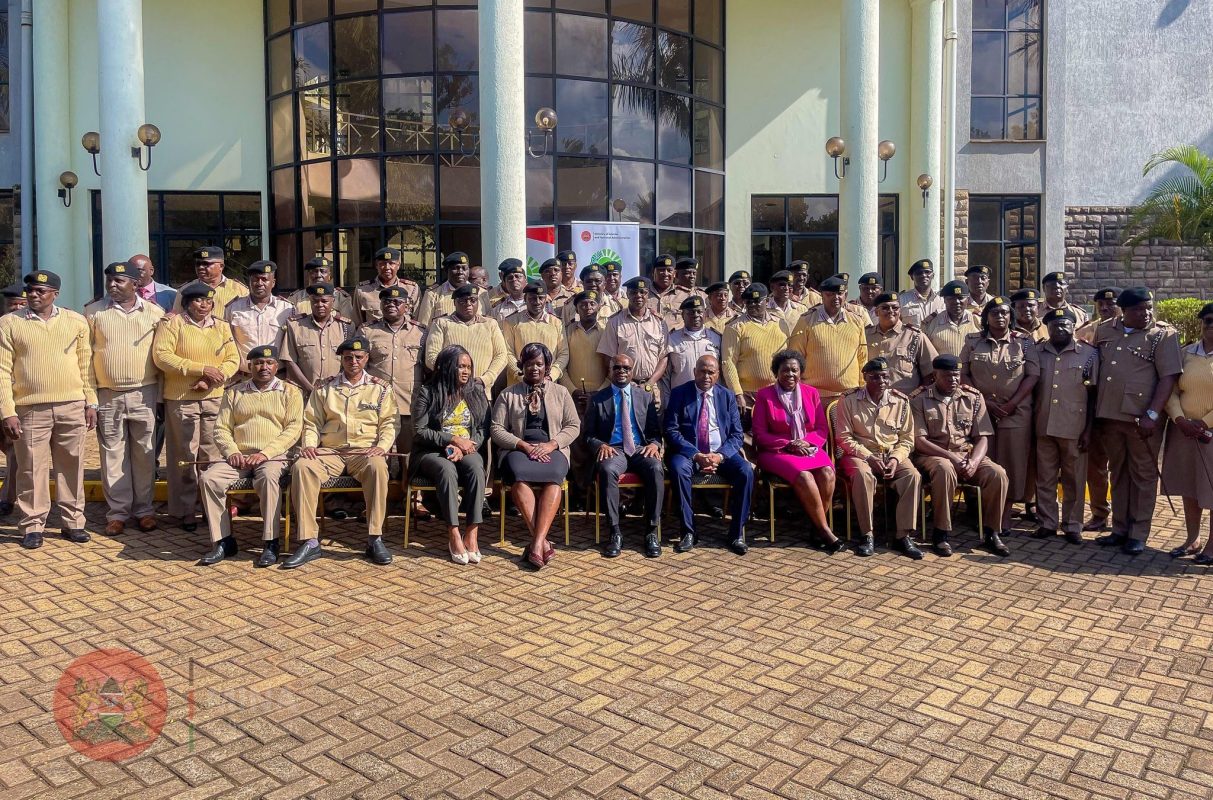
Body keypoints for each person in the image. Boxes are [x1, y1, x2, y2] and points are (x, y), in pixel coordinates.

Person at [0, 270, 97, 549]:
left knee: (72, 465)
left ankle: (73, 522)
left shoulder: (76, 322)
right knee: (31, 468)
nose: (33, 295)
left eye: (41, 291)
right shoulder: (9, 323)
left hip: (72, 405)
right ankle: (32, 525)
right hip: (30, 408)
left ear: (56, 293)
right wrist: (8, 410)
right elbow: (3, 370)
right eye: (30, 290)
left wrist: (90, 402)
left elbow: (86, 366)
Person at [285, 336, 399, 569]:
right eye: (348, 358)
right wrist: (309, 446)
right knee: (302, 467)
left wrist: (382, 447)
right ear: (342, 359)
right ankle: (310, 540)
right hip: (330, 451)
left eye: (358, 357)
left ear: (367, 358)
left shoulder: (380, 389)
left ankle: (374, 537)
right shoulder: (325, 388)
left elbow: (390, 423)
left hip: (365, 451)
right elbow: (311, 422)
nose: (353, 362)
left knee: (378, 467)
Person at [1092, 287, 1182, 555]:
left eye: (1148, 308)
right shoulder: (1106, 330)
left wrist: (1153, 414)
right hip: (1110, 415)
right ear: (1123, 310)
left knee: (1143, 474)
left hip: (1142, 419)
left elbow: (1169, 377)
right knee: (1118, 473)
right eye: (1138, 309)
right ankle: (1119, 528)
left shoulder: (1163, 335)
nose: (1145, 314)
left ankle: (1138, 532)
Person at [198, 345, 304, 567]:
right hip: (239, 455)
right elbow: (221, 428)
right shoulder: (235, 391)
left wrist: (266, 453)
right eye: (257, 363)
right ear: (249, 366)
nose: (263, 367)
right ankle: (223, 541)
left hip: (275, 455)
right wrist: (231, 451)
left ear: (277, 366)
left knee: (267, 478)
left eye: (268, 363)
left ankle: (270, 542)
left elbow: (293, 429)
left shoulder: (290, 392)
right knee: (209, 479)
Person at [153, 282, 241, 531]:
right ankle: (184, 510)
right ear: (187, 303)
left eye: (209, 301)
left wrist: (215, 376)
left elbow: (233, 358)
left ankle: (210, 507)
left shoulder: (221, 326)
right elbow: (162, 356)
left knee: (212, 455)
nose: (204, 305)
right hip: (182, 397)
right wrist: (201, 369)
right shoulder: (172, 324)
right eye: (198, 301)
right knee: (184, 455)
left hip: (214, 395)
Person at [85, 261, 164, 535]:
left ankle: (144, 510)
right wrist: (91, 399)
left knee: (144, 453)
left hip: (146, 392)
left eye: (119, 282)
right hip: (108, 394)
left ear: (135, 284)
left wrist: (162, 397)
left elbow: (160, 355)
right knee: (112, 455)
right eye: (109, 281)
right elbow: (85, 359)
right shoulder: (93, 313)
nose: (112, 286)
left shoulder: (155, 314)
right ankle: (117, 513)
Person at [491, 343, 581, 569]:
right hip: (518, 450)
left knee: (554, 478)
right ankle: (543, 543)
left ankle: (537, 542)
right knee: (518, 477)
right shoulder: (507, 394)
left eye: (539, 364)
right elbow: (497, 429)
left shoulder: (560, 393)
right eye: (529, 363)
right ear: (522, 366)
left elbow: (573, 426)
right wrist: (522, 445)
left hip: (553, 450)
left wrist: (552, 444)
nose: (534, 368)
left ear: (547, 367)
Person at [911, 354, 1011, 557]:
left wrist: (974, 461)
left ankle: (992, 532)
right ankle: (941, 533)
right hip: (933, 454)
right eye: (947, 376)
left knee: (998, 474)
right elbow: (920, 441)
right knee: (945, 469)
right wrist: (951, 457)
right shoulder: (919, 399)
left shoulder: (973, 397)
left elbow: (983, 437)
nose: (954, 380)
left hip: (966, 455)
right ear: (935, 375)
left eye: (956, 376)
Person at [960, 295, 1039, 533]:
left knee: (1013, 463)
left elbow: (1032, 376)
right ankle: (984, 513)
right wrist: (982, 401)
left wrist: (1013, 403)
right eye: (995, 313)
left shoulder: (1024, 342)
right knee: (985, 462)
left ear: (1011, 316)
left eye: (1005, 313)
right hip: (981, 412)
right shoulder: (973, 341)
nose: (1000, 316)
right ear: (986, 318)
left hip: (1015, 412)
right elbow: (963, 374)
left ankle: (1005, 514)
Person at [664, 354, 753, 555]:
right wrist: (696, 455)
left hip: (721, 453)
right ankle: (688, 531)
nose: (706, 376)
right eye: (702, 371)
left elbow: (737, 434)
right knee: (678, 469)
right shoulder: (680, 394)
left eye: (711, 372)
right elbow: (671, 430)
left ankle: (736, 534)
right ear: (695, 372)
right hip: (689, 453)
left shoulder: (727, 396)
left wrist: (719, 456)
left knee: (746, 471)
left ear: (718, 375)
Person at [752, 350, 841, 551]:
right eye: (785, 370)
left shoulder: (811, 393)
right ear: (776, 372)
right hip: (776, 452)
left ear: (801, 372)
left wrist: (806, 443)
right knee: (804, 476)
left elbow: (820, 429)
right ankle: (825, 531)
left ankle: (816, 526)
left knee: (827, 473)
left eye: (794, 370)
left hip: (807, 448)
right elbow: (759, 434)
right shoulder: (765, 395)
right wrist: (789, 444)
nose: (790, 374)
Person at [833, 357, 922, 557]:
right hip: (859, 454)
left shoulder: (901, 401)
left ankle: (903, 536)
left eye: (884, 377)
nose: (881, 381)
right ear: (865, 377)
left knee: (912, 476)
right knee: (863, 476)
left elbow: (907, 439)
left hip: (890, 454)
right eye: (875, 377)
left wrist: (896, 459)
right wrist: (869, 457)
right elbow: (843, 438)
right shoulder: (848, 400)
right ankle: (867, 534)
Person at [411, 345, 492, 565]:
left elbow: (483, 428)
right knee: (446, 470)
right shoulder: (428, 392)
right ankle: (454, 532)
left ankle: (472, 532)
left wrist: (465, 446)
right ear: (447, 367)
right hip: (431, 451)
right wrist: (452, 440)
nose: (465, 371)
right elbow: (419, 431)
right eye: (460, 367)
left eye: (468, 367)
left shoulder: (476, 391)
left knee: (476, 467)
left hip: (468, 448)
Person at [584, 354, 665, 558]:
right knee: (607, 469)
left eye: (626, 368)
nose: (622, 371)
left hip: (639, 448)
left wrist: (655, 445)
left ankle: (651, 532)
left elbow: (655, 432)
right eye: (617, 368)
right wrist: (600, 444)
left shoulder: (644, 397)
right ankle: (615, 532)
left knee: (656, 468)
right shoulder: (597, 399)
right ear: (610, 371)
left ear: (632, 371)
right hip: (613, 449)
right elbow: (588, 435)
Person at [1033, 308, 1099, 545]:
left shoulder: (1089, 354)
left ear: (1074, 327)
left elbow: (1093, 396)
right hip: (1044, 424)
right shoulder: (1038, 351)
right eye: (1054, 325)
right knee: (1045, 477)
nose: (1059, 329)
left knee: (1074, 478)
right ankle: (1047, 522)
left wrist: (1089, 430)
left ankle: (1073, 525)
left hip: (1075, 427)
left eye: (1065, 324)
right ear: (1047, 328)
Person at [360, 285, 425, 515]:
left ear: (407, 305)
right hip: (377, 405)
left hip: (411, 403)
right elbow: (359, 365)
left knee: (410, 454)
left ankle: (415, 498)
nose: (392, 305)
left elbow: (427, 368)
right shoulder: (368, 331)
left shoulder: (420, 332)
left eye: (397, 302)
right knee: (379, 455)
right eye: (387, 301)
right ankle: (377, 502)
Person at [1163, 303, 1213, 563]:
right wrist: (1180, 419)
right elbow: (1171, 391)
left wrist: (1204, 423)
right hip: (1183, 431)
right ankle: (1193, 539)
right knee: (1190, 487)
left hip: (1209, 433)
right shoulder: (1186, 353)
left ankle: (1212, 547)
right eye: (1208, 320)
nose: (1211, 326)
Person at [1076, 286, 1122, 533]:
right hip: (1092, 407)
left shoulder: (1131, 330)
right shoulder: (1086, 331)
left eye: (1110, 304)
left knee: (1120, 466)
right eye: (1100, 305)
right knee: (1095, 467)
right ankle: (1099, 513)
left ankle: (1124, 518)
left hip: (1119, 409)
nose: (1105, 309)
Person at [787, 275, 867, 401]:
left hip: (849, 395)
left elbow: (862, 357)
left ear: (845, 295)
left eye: (840, 294)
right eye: (830, 294)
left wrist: (863, 387)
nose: (836, 298)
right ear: (822, 296)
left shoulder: (857, 321)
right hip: (814, 395)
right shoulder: (806, 320)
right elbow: (795, 357)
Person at [424, 283, 511, 398]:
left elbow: (501, 355)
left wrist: (486, 379)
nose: (468, 304)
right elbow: (431, 356)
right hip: (450, 392)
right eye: (463, 301)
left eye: (473, 300)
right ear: (454, 303)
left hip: (481, 391)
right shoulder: (442, 323)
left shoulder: (490, 324)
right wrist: (452, 376)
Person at [722, 284, 789, 420]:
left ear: (767, 300)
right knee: (747, 439)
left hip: (777, 393)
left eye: (757, 301)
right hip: (748, 397)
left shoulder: (781, 324)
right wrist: (737, 393)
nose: (753, 305)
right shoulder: (735, 327)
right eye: (748, 302)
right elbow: (728, 362)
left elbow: (788, 358)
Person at [598, 277, 670, 397]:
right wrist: (627, 383)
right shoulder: (615, 322)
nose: (639, 295)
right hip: (624, 387)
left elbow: (664, 357)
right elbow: (608, 358)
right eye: (634, 292)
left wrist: (650, 383)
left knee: (654, 415)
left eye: (643, 292)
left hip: (653, 388)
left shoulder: (659, 322)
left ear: (648, 294)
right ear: (627, 294)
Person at [278, 282, 353, 393]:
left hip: (336, 392)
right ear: (310, 302)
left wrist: (335, 386)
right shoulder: (295, 325)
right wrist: (309, 388)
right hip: (303, 391)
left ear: (333, 301)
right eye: (315, 301)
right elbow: (290, 361)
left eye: (324, 301)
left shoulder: (345, 326)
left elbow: (349, 360)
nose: (319, 305)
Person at [224, 260, 294, 373]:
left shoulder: (287, 309)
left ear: (273, 282)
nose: (260, 283)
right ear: (249, 282)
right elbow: (226, 342)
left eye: (265, 279)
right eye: (255, 279)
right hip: (244, 377)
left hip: (278, 376)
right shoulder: (233, 308)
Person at [866, 293, 937, 394]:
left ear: (900, 311)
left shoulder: (914, 336)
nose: (891, 311)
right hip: (871, 401)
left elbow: (931, 373)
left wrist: (917, 396)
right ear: (877, 312)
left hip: (906, 402)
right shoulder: (865, 335)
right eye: (885, 308)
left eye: (895, 308)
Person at [502, 282, 569, 387]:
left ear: (546, 299)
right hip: (519, 385)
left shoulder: (557, 323)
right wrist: (521, 375)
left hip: (548, 384)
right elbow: (507, 352)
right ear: (525, 299)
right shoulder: (511, 321)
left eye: (541, 298)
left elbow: (563, 353)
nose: (537, 302)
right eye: (532, 298)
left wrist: (551, 376)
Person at [0, 283, 26, 516]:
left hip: (14, 401)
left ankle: (7, 498)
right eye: (12, 304)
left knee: (14, 453)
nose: (16, 307)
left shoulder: (27, 330)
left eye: (21, 304)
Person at [665, 296, 721, 396]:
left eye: (699, 312)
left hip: (710, 396)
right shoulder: (672, 339)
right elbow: (666, 375)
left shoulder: (717, 338)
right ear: (683, 315)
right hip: (681, 396)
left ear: (705, 313)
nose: (696, 315)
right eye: (691, 312)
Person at [173, 246, 249, 318]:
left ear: (221, 266)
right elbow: (176, 319)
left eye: (206, 264)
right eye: (198, 264)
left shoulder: (240, 290)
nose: (200, 267)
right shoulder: (185, 290)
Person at [416, 251, 483, 327]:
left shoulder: (481, 293)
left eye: (464, 268)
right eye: (456, 268)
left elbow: (487, 323)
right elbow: (424, 326)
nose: (460, 272)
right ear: (446, 270)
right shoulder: (433, 294)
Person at [922, 280, 980, 357]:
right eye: (951, 298)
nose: (956, 302)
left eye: (960, 298)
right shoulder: (932, 323)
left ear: (968, 299)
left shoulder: (977, 321)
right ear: (944, 300)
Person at [287, 256, 355, 320]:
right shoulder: (295, 298)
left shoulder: (341, 298)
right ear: (309, 275)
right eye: (314, 271)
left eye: (323, 271)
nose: (318, 275)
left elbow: (347, 326)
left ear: (329, 275)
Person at [898, 259, 945, 327]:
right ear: (912, 277)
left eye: (927, 272)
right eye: (919, 273)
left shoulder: (942, 299)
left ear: (933, 275)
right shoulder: (902, 300)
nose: (923, 275)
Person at [489, 258, 529, 323]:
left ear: (525, 279)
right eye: (510, 278)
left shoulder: (535, 299)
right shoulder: (496, 304)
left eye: (518, 276)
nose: (514, 280)